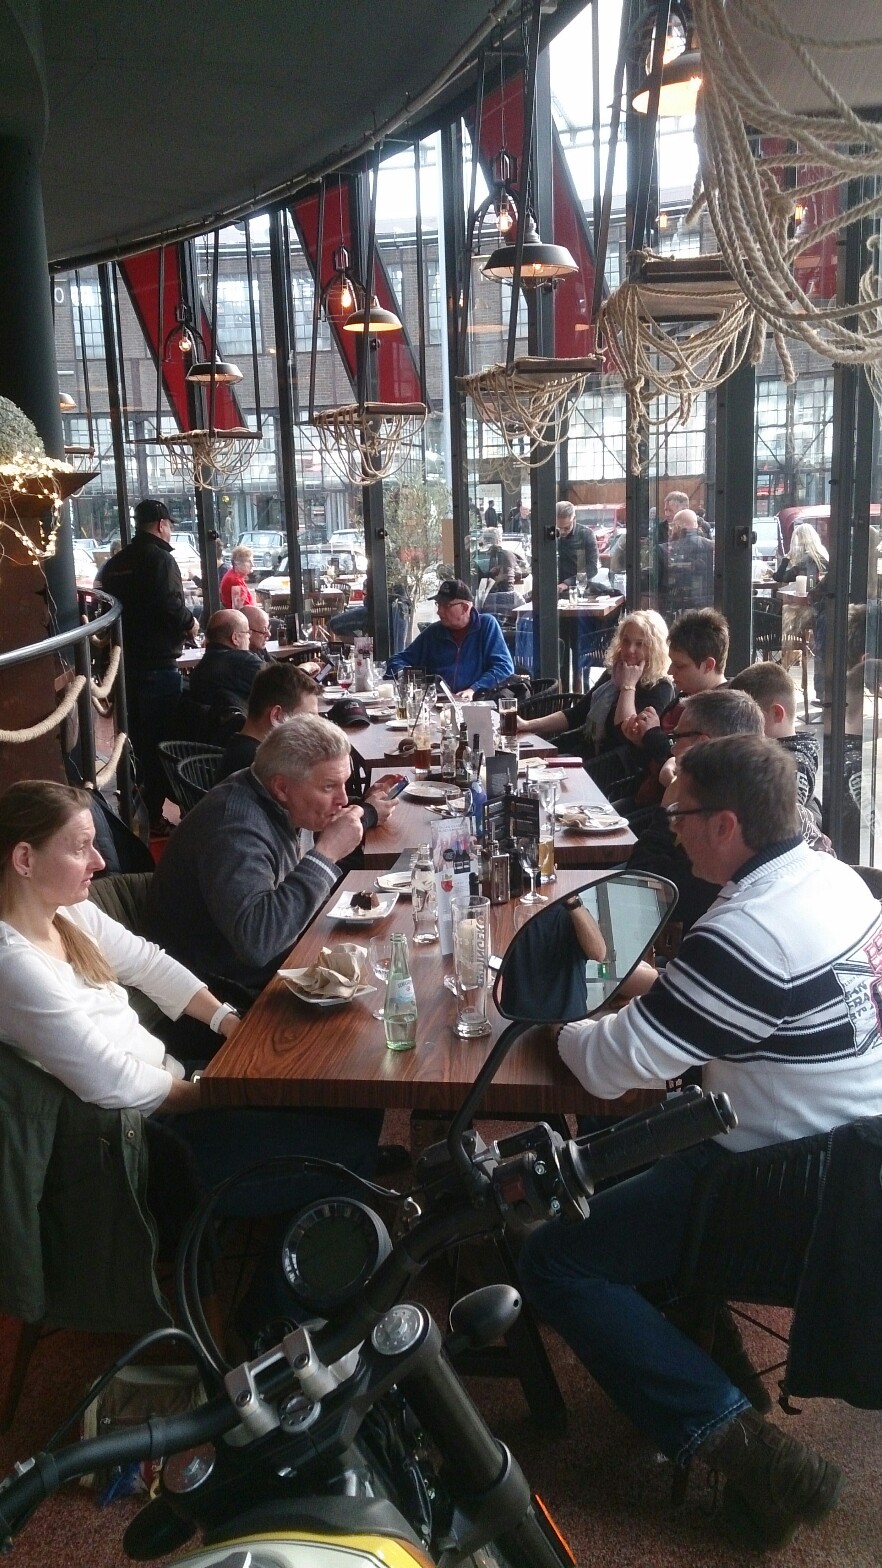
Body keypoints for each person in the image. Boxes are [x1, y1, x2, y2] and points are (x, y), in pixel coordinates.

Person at [520, 734, 882, 1549]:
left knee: (554, 1258)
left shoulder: (746, 932)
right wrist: (652, 989)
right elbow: (735, 1012)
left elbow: (605, 1069)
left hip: (784, 1190)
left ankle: (752, 1455)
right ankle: (709, 1354)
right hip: (857, 1161)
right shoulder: (830, 878)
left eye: (679, 814)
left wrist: (554, 1018)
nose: (670, 827)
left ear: (726, 824)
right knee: (627, 1177)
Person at [0, 779, 381, 1241]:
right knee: (351, 1149)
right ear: (25, 859)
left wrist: (230, 1024)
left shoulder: (67, 913)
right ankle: (286, 1281)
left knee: (352, 1096)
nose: (99, 862)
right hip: (146, 1144)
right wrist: (216, 1093)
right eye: (81, 848)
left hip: (176, 1085)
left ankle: (314, 1206)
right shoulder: (13, 966)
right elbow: (111, 1080)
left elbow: (149, 964)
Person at [143, 715, 399, 997]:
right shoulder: (235, 829)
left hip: (267, 966)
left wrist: (366, 813)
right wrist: (326, 854)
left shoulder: (270, 792)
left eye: (344, 784)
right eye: (329, 787)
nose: (344, 799)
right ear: (282, 787)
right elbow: (259, 943)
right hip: (219, 993)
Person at [627, 687, 766, 935]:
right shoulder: (746, 794)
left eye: (677, 738)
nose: (672, 750)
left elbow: (640, 891)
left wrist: (666, 813)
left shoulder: (718, 818)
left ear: (702, 745)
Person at [97, 499, 198, 836]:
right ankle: (153, 817)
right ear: (160, 525)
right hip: (157, 665)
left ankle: (134, 811)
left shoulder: (115, 564)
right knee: (160, 743)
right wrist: (190, 623)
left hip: (124, 666)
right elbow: (171, 604)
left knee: (132, 741)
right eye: (169, 525)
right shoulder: (161, 559)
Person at [517, 610, 675, 770]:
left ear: (654, 649)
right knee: (519, 761)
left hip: (608, 769)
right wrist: (527, 725)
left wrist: (628, 686)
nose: (629, 650)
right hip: (581, 752)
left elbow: (626, 733)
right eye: (626, 641)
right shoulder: (614, 673)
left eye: (639, 644)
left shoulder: (660, 687)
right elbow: (577, 714)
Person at [623, 608, 729, 803]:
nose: (671, 671)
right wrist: (640, 740)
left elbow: (693, 776)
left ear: (708, 665)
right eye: (672, 663)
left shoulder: (723, 712)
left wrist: (652, 735)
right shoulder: (685, 695)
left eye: (679, 665)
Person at [728, 661, 832, 853]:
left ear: (776, 713)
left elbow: (777, 820)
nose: (739, 728)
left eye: (748, 719)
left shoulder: (795, 765)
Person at [386, 579, 515, 699]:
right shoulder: (433, 632)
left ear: (464, 608)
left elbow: (504, 667)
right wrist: (407, 677)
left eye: (446, 606)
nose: (439, 611)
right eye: (438, 605)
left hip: (477, 702)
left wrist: (474, 689)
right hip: (437, 703)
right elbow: (397, 660)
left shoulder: (486, 625)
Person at [214, 662, 321, 782]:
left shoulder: (240, 749)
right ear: (276, 716)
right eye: (308, 718)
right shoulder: (262, 767)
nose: (316, 725)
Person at [188, 609, 264, 736]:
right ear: (235, 638)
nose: (249, 638)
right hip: (248, 739)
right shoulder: (245, 662)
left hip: (212, 741)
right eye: (247, 633)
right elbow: (283, 685)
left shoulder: (199, 670)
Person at [658, 508, 714, 614]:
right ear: (696, 526)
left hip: (675, 608)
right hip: (706, 610)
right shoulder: (711, 547)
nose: (670, 529)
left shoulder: (663, 550)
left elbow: (656, 585)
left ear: (679, 526)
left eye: (672, 525)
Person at [555, 500, 598, 591]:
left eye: (566, 528)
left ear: (574, 518)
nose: (562, 532)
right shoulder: (549, 534)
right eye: (558, 528)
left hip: (578, 589)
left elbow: (592, 568)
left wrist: (568, 583)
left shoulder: (585, 535)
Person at [219, 544, 256, 609]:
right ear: (237, 563)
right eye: (249, 561)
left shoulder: (236, 576)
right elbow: (242, 609)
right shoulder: (234, 580)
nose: (252, 564)